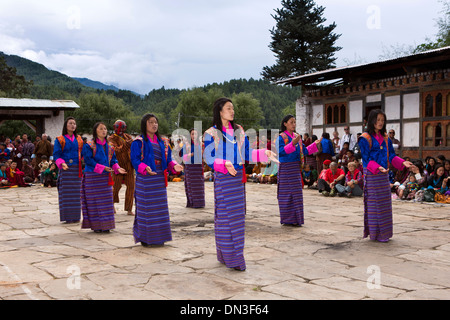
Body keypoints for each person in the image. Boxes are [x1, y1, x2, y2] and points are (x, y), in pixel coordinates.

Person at [204, 97, 276, 271]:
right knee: (225, 218)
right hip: (223, 178)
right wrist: (223, 164)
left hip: (237, 178)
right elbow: (208, 157)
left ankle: (235, 256)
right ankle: (228, 256)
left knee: (237, 219)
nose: (232, 111)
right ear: (219, 111)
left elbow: (247, 153)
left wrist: (264, 153)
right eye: (228, 108)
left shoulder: (239, 130)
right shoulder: (210, 133)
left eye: (233, 108)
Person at [358, 109, 412, 243]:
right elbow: (365, 158)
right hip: (372, 174)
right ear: (371, 121)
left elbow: (392, 156)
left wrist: (402, 162)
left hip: (384, 175)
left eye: (382, 120)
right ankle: (375, 233)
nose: (380, 123)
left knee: (385, 204)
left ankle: (384, 233)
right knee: (374, 204)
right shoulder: (364, 138)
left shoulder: (386, 138)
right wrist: (377, 167)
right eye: (378, 120)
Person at [131, 114, 184, 247]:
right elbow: (135, 160)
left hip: (159, 178)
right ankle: (146, 238)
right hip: (145, 180)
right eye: (151, 122)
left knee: (160, 209)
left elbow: (167, 160)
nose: (154, 125)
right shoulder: (138, 141)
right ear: (145, 124)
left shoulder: (163, 142)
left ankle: (159, 238)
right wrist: (145, 167)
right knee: (146, 209)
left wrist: (174, 166)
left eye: (156, 122)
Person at [81, 122, 127, 233]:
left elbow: (113, 160)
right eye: (101, 128)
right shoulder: (89, 145)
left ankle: (106, 225)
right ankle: (97, 226)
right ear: (95, 131)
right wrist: (102, 168)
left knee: (106, 202)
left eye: (105, 128)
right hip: (92, 177)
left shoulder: (110, 146)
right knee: (94, 202)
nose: (104, 130)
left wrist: (117, 168)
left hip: (105, 177)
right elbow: (88, 160)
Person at [277, 114, 320, 226]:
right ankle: (287, 219)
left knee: (297, 194)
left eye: (294, 122)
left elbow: (304, 151)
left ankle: (297, 219)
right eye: (291, 122)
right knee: (287, 194)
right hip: (286, 168)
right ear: (285, 124)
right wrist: (292, 144)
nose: (293, 124)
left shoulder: (297, 136)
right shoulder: (281, 137)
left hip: (295, 168)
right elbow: (280, 151)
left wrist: (313, 145)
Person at [53, 117, 84, 224]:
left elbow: (83, 154)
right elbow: (56, 154)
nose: (73, 125)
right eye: (70, 123)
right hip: (65, 169)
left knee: (76, 194)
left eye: (74, 123)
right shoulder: (60, 139)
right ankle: (67, 217)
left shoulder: (79, 139)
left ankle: (76, 217)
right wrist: (62, 163)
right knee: (66, 194)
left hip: (76, 170)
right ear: (66, 125)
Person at [108, 120, 135, 215]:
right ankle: (111, 204)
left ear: (125, 127)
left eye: (122, 127)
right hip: (118, 165)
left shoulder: (128, 137)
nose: (120, 129)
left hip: (129, 165)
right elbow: (115, 150)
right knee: (116, 186)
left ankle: (129, 208)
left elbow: (133, 148)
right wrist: (125, 145)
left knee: (131, 186)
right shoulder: (111, 139)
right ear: (113, 127)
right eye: (117, 126)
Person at [181, 128, 205, 208]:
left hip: (198, 167)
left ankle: (200, 203)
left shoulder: (201, 144)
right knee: (190, 185)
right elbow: (182, 156)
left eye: (195, 134)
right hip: (190, 167)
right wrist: (189, 155)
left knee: (199, 186)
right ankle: (192, 203)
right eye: (192, 134)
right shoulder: (186, 145)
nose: (194, 136)